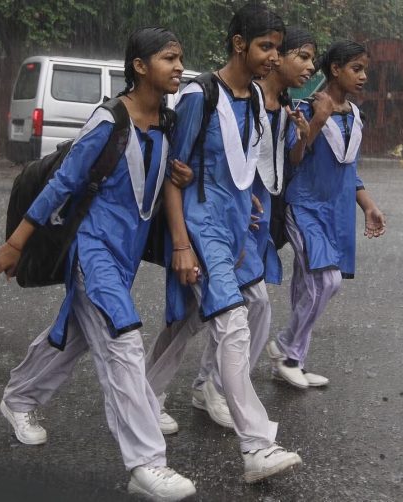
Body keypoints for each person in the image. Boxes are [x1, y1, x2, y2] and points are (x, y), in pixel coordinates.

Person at [0, 27, 197, 501]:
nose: (179, 67)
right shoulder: (108, 122)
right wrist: (15, 245)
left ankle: (18, 400)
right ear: (139, 66)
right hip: (92, 250)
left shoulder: (168, 122)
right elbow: (60, 186)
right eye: (169, 58)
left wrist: (184, 179)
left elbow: (160, 185)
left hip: (125, 254)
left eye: (181, 59)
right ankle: (146, 463)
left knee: (76, 336)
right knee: (122, 342)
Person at [150, 3, 302, 484]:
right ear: (239, 43)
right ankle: (256, 445)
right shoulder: (199, 94)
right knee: (233, 322)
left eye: (278, 48)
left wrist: (249, 205)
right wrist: (180, 243)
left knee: (201, 316)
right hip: (199, 227)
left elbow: (242, 166)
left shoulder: (255, 96)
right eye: (266, 47)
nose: (274, 57)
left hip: (236, 225)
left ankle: (144, 394)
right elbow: (174, 175)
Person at [266, 40, 387, 389]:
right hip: (304, 207)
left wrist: (368, 206)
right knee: (325, 281)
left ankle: (293, 362)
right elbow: (294, 156)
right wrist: (317, 121)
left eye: (365, 69)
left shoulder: (356, 116)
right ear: (335, 69)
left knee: (310, 284)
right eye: (356, 68)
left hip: (335, 214)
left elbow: (351, 172)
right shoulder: (305, 107)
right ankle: (285, 346)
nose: (363, 76)